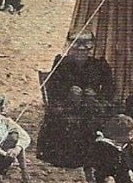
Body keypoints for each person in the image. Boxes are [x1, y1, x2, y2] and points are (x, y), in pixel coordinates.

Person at [36, 31, 116, 168]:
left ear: (91, 49)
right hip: (67, 106)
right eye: (77, 49)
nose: (81, 52)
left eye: (85, 50)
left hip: (91, 106)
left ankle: (93, 157)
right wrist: (69, 94)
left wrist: (95, 95)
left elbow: (110, 89)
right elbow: (52, 89)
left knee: (96, 120)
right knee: (64, 121)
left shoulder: (99, 65)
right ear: (71, 49)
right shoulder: (62, 65)